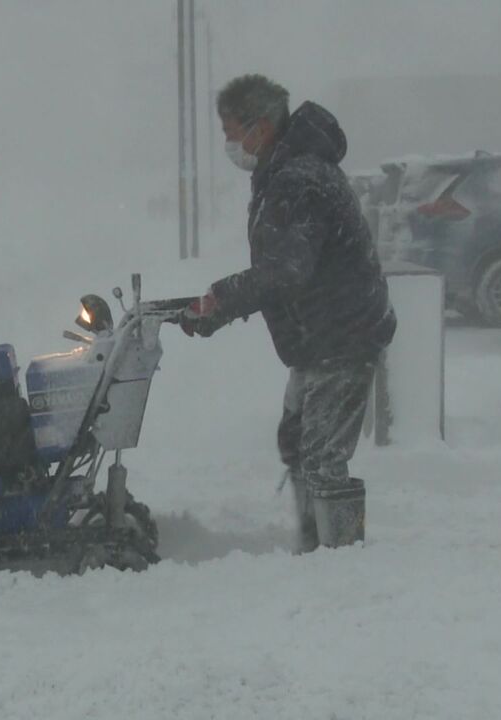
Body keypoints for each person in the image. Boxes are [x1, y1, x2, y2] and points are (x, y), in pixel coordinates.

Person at [180, 74, 396, 552]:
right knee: (296, 442)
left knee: (321, 457)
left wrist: (221, 298)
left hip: (343, 334)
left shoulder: (298, 178)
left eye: (231, 129)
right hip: (319, 335)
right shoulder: (283, 171)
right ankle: (313, 543)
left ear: (260, 125)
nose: (228, 141)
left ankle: (341, 557)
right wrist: (217, 310)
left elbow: (287, 269)